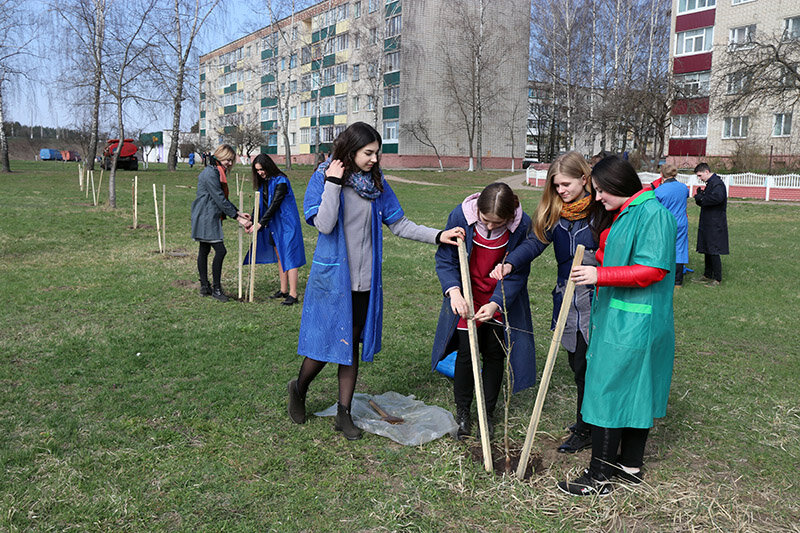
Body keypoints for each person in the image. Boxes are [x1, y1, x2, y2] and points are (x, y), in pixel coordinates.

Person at [287, 122, 464, 440]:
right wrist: (333, 183)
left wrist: (439, 235)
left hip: (364, 282)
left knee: (350, 344)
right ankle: (299, 388)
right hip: (332, 280)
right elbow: (324, 224)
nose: (374, 159)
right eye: (368, 153)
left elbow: (400, 224)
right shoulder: (322, 178)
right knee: (325, 344)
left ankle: (344, 413)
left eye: (376, 153)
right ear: (351, 150)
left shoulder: (376, 183)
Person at [558, 156, 676, 496]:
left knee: (607, 391)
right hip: (625, 317)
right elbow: (623, 254)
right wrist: (598, 261)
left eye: (600, 191)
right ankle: (629, 466)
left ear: (618, 185)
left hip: (633, 321)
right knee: (635, 390)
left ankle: (599, 476)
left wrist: (600, 275)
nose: (597, 198)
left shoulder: (653, 214)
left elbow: (653, 268)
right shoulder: (629, 211)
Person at [489, 151, 598, 453]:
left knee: (589, 364)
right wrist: (510, 263)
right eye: (556, 186)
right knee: (576, 361)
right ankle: (586, 419)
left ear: (584, 179)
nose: (561, 191)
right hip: (567, 298)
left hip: (596, 299)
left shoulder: (600, 212)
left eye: (566, 184)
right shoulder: (556, 213)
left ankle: (588, 427)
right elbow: (535, 243)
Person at [432, 183, 537, 441]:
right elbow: (446, 259)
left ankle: (486, 413)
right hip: (468, 297)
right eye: (485, 219)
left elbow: (520, 271)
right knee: (466, 354)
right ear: (477, 210)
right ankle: (463, 412)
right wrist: (455, 292)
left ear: (510, 217)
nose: (490, 226)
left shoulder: (522, 225)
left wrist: (496, 302)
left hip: (499, 299)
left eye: (497, 223)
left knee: (494, 354)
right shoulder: (461, 216)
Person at [190, 144, 253, 302]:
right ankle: (216, 289)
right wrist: (238, 218)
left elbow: (221, 198)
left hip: (207, 214)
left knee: (204, 249)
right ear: (219, 156)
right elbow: (219, 198)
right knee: (220, 250)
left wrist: (237, 211)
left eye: (231, 160)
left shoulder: (215, 171)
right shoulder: (211, 173)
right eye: (227, 159)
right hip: (206, 216)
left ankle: (205, 287)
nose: (229, 163)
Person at [243, 154, 306, 306]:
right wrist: (252, 220)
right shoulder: (264, 183)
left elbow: (274, 205)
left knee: (290, 256)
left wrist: (260, 224)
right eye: (257, 170)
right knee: (279, 256)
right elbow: (260, 204)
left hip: (287, 223)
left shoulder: (281, 181)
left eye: (262, 169)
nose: (260, 173)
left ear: (268, 166)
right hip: (274, 225)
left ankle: (293, 294)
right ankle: (283, 290)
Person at [693, 163, 728, 286]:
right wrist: (700, 198)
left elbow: (717, 199)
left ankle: (717, 278)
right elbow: (707, 200)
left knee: (713, 249)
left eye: (700, 175)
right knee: (706, 248)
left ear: (706, 172)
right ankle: (707, 274)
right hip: (708, 220)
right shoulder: (711, 183)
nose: (699, 178)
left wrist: (702, 198)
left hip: (715, 222)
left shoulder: (717, 184)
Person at [654, 163, 689, 286]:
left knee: (664, 247)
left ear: (661, 174)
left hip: (666, 222)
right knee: (679, 248)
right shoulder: (684, 187)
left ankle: (663, 275)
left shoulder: (659, 190)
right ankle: (678, 280)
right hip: (681, 221)